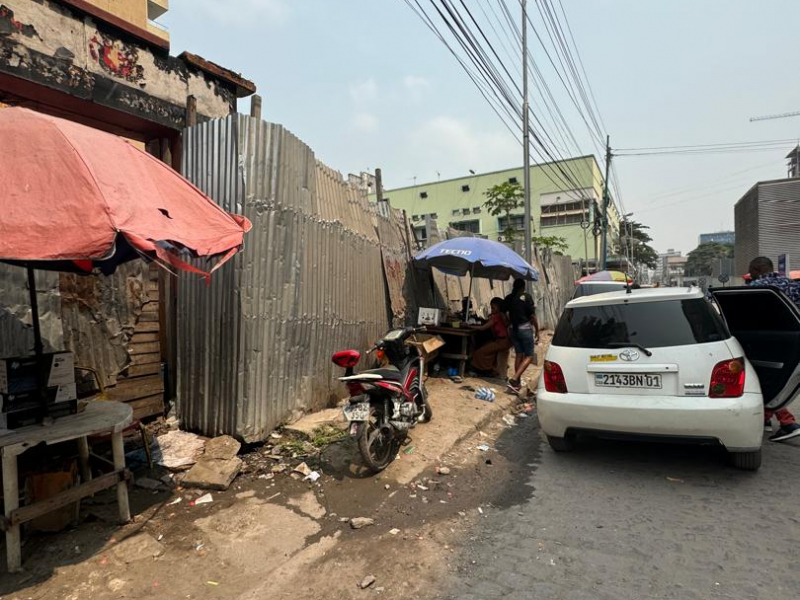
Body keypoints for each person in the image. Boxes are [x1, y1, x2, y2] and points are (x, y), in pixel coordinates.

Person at [748, 256, 800, 442]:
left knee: (762, 380)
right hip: (792, 343)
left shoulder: (755, 287)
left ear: (755, 269)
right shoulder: (792, 285)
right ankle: (765, 419)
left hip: (763, 344)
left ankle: (787, 423)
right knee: (776, 381)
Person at [504, 278, 540, 394]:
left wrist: (507, 322)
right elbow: (533, 316)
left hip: (513, 330)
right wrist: (537, 331)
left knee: (519, 354)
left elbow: (502, 311)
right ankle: (515, 378)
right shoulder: (526, 297)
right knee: (529, 356)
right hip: (524, 329)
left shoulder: (509, 298)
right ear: (523, 287)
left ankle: (517, 384)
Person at [469, 298, 511, 376]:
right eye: (491, 308)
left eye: (493, 308)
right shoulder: (501, 315)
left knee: (480, 352)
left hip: (502, 342)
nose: (491, 310)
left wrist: (469, 326)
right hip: (504, 341)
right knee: (487, 348)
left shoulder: (496, 316)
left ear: (498, 308)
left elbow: (483, 328)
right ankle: (489, 368)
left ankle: (485, 370)